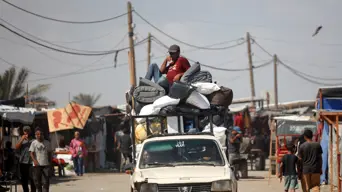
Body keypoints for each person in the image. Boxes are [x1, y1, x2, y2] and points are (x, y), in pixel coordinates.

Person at [15, 126, 36, 192]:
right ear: (23, 131)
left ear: (30, 131)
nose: (26, 132)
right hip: (23, 162)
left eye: (28, 131)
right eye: (25, 131)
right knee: (24, 179)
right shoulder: (20, 139)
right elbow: (16, 147)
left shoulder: (34, 140)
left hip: (32, 162)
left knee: (33, 179)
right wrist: (22, 139)